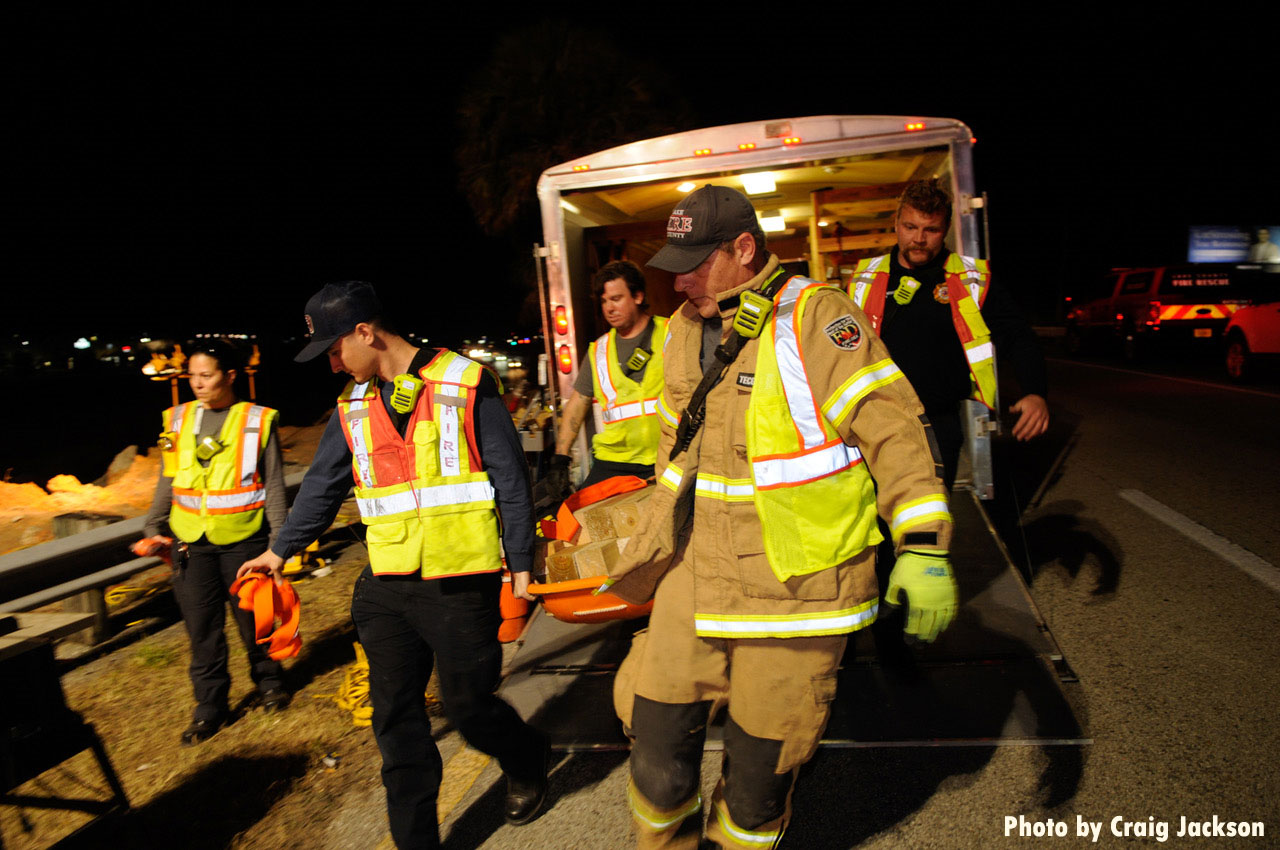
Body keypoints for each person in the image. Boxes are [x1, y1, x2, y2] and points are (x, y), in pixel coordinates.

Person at [605, 185, 956, 848]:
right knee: (653, 744)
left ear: (744, 249)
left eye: (695, 263)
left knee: (758, 783)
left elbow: (894, 431)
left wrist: (923, 542)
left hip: (795, 594)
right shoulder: (683, 331)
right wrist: (644, 532)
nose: (679, 282)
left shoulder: (816, 318)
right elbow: (675, 449)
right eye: (674, 265)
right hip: (696, 578)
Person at [237, 281, 547, 849]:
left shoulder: (463, 384)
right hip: (386, 586)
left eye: (334, 350)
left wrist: (522, 559)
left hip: (460, 585)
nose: (332, 365)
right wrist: (279, 551)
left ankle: (527, 757)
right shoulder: (354, 404)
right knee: (396, 723)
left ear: (365, 332)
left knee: (468, 707)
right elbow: (324, 484)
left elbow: (510, 477)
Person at [847, 178, 1049, 491]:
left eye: (931, 230)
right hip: (878, 422)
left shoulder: (970, 279)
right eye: (910, 227)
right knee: (880, 520)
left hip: (939, 423)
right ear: (896, 224)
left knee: (933, 518)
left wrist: (1035, 391)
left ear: (947, 229)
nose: (919, 239)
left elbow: (1019, 337)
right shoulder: (865, 279)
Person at [136, 339, 289, 745]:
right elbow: (168, 477)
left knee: (252, 620)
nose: (198, 384)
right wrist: (153, 524)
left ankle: (269, 682)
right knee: (202, 630)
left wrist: (280, 544)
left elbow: (273, 484)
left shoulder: (257, 420)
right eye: (193, 376)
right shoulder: (177, 419)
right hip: (190, 544)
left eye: (207, 376)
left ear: (230, 376)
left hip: (244, 540)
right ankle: (209, 707)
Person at [545, 260, 668, 497]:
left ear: (638, 296)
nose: (609, 308)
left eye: (616, 298)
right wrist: (561, 457)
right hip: (615, 460)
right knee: (577, 519)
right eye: (603, 301)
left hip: (668, 456)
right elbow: (578, 403)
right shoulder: (599, 350)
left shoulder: (671, 333)